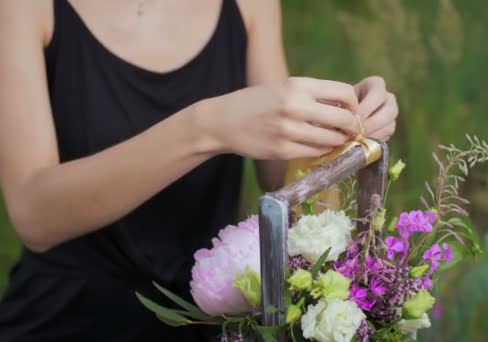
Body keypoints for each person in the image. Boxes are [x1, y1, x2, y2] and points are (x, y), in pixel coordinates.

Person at [0, 0, 398, 341]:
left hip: (211, 319)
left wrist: (336, 127)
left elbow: (282, 179)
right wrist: (206, 127)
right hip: (65, 320)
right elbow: (35, 216)